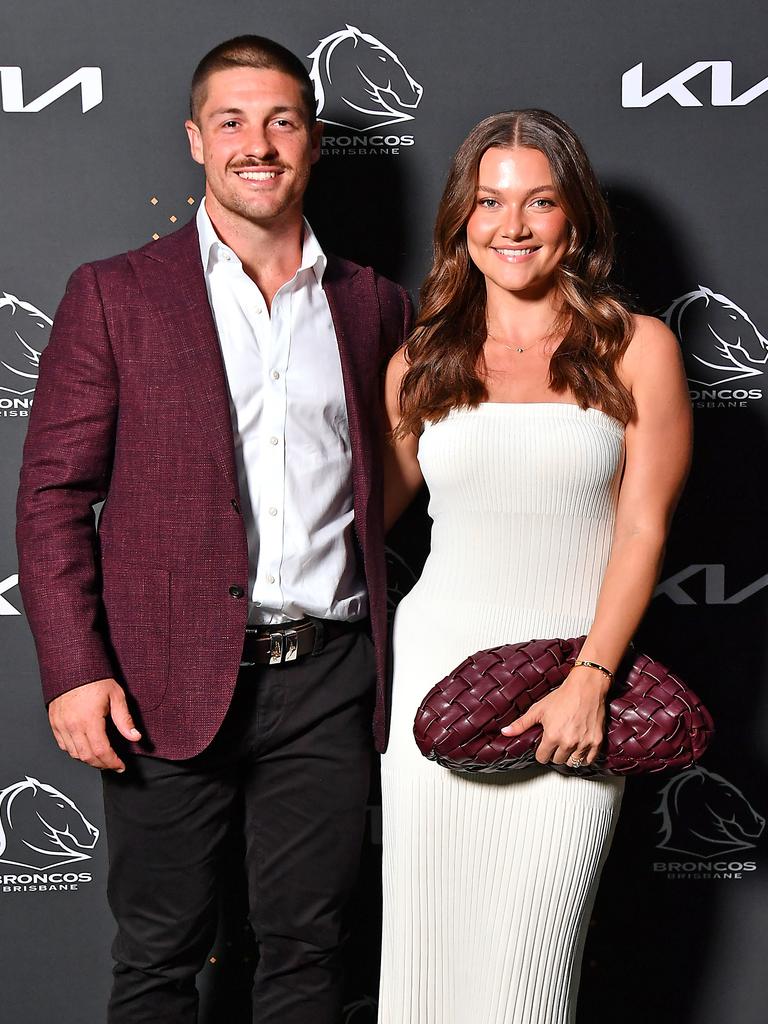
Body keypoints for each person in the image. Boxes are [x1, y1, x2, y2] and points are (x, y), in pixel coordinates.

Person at [16, 35, 411, 1024]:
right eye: (232, 120)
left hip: (329, 673)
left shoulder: (374, 305)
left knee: (309, 956)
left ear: (313, 141)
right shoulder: (114, 294)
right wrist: (73, 665)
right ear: (195, 140)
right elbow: (53, 494)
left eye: (281, 119)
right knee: (159, 955)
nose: (258, 143)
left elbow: (399, 478)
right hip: (159, 676)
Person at [378, 109, 691, 1024]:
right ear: (460, 221)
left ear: (575, 221)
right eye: (489, 202)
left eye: (539, 202)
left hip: (571, 689)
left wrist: (593, 679)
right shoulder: (420, 363)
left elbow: (643, 529)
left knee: (527, 980)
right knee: (425, 970)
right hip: (433, 690)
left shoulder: (639, 349)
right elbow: (358, 524)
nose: (511, 226)